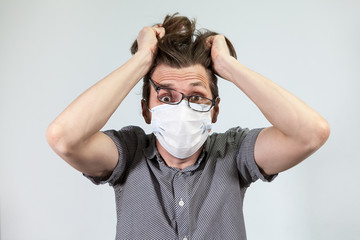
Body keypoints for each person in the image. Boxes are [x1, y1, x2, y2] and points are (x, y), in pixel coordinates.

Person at [46, 13, 330, 240]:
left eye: (196, 96)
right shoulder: (128, 153)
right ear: (146, 111)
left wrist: (227, 65)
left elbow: (311, 133)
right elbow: (64, 137)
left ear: (215, 109)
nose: (181, 109)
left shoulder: (233, 152)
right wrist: (142, 59)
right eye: (166, 97)